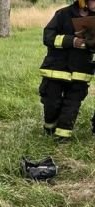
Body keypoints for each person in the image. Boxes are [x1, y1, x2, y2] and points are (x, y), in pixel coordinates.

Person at [39, 0, 95, 140]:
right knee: (51, 103)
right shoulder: (63, 14)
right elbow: (48, 37)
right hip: (56, 70)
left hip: (80, 72)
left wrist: (90, 42)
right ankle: (50, 128)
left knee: (72, 105)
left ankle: (63, 137)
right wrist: (71, 41)